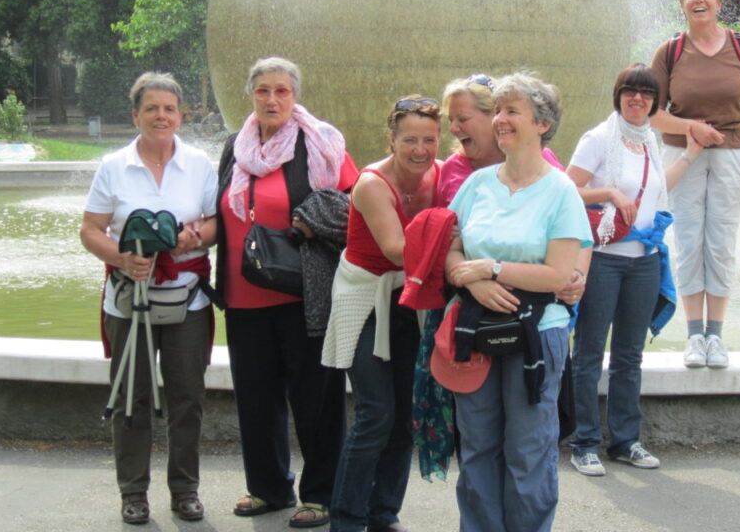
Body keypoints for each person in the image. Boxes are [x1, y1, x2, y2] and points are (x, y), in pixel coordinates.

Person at [205, 57, 358, 528]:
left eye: (282, 91)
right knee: (256, 398)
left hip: (303, 297)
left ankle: (322, 494)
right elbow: (221, 211)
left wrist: (312, 220)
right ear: (250, 94)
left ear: (295, 96)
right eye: (263, 90)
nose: (272, 99)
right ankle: (268, 488)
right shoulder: (236, 146)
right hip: (243, 297)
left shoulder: (320, 145)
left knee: (317, 401)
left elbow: (355, 206)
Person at [444, 73, 591, 532]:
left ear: (542, 124)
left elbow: (558, 274)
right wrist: (472, 283)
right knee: (477, 446)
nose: (500, 120)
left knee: (529, 449)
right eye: (497, 111)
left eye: (512, 111)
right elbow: (450, 250)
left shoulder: (561, 191)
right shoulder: (476, 184)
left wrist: (492, 269)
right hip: (475, 328)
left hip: (536, 334)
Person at [80, 72, 217, 525]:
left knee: (187, 397)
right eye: (152, 108)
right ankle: (133, 491)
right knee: (131, 397)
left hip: (187, 301)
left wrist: (193, 236)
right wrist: (121, 258)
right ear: (135, 115)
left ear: (181, 115)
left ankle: (185, 489)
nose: (162, 116)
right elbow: (90, 229)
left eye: (169, 109)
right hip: (128, 301)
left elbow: (217, 223)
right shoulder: (114, 166)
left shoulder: (199, 164)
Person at [567, 63, 704, 477]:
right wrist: (608, 191)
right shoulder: (598, 138)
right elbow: (565, 190)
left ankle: (625, 441)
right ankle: (584, 443)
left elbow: (657, 190)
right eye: (630, 91)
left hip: (643, 261)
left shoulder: (648, 141)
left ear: (655, 102)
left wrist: (691, 154)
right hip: (604, 259)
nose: (638, 99)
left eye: (646, 93)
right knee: (589, 353)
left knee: (629, 355)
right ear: (618, 95)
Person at [322, 95, 442, 532]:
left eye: (429, 139)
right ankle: (347, 519)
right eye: (410, 139)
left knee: (406, 416)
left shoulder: (441, 173)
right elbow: (396, 250)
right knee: (376, 414)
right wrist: (456, 255)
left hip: (409, 301)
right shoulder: (371, 183)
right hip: (365, 298)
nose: (420, 150)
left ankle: (384, 514)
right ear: (391, 140)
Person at [650, 0, 740, 369]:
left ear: (720, 2)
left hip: (732, 151)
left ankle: (715, 336)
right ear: (682, 4)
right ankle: (694, 336)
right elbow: (653, 114)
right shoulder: (669, 52)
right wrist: (692, 129)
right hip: (682, 154)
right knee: (688, 240)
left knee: (721, 242)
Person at [438, 73, 563, 207]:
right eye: (450, 120)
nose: (453, 129)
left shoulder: (540, 158)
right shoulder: (452, 169)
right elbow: (441, 216)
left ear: (493, 114)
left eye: (463, 119)